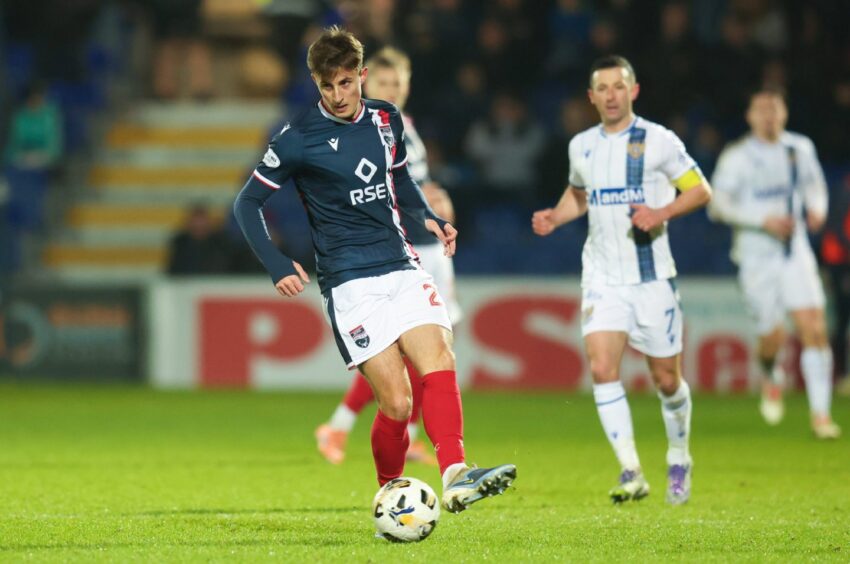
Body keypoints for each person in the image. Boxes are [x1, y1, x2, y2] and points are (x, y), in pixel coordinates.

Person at [233, 27, 515, 514]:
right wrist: (276, 263)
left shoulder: (387, 119)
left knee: (439, 358)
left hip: (402, 265)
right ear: (316, 83)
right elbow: (247, 202)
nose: (338, 95)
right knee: (397, 403)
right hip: (350, 282)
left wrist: (428, 216)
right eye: (327, 86)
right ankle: (390, 492)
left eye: (346, 83)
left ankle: (455, 473)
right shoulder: (298, 138)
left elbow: (400, 177)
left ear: (362, 75)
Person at [532, 56, 712, 505]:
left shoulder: (658, 140)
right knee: (601, 368)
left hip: (652, 278)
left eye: (619, 86)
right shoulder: (581, 146)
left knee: (667, 381)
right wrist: (556, 216)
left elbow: (700, 189)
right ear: (591, 97)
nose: (611, 95)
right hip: (602, 277)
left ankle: (679, 456)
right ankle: (631, 469)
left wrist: (661, 212)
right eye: (602, 88)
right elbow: (579, 194)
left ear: (633, 91)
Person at [314, 46, 461, 468]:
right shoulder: (361, 130)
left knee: (427, 349)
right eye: (383, 83)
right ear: (365, 83)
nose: (392, 90)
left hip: (427, 247)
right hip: (401, 252)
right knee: (402, 350)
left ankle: (400, 435)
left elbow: (412, 181)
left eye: (398, 83)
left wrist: (435, 202)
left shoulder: (402, 125)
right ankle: (343, 425)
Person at [709, 88, 840, 439]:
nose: (768, 115)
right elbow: (717, 205)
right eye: (761, 109)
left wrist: (817, 209)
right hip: (755, 258)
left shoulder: (799, 148)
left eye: (774, 108)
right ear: (750, 116)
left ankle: (821, 416)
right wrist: (762, 220)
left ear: (784, 113)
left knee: (814, 328)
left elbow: (814, 186)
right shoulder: (737, 157)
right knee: (773, 338)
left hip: (794, 252)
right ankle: (770, 373)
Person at [820, 173, 850, 396]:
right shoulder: (844, 191)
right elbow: (836, 227)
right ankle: (843, 376)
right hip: (840, 263)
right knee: (842, 321)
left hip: (841, 261)